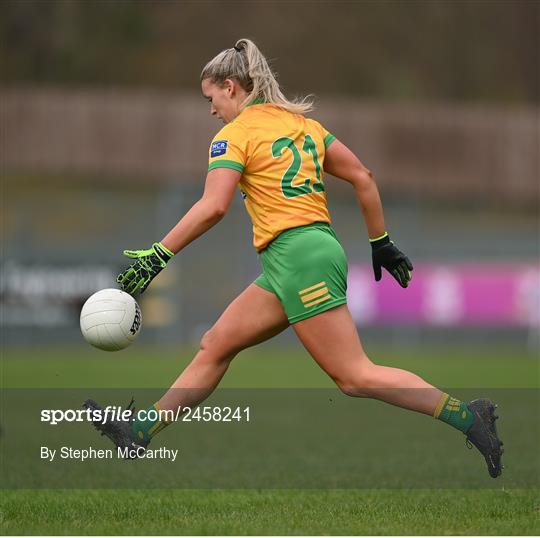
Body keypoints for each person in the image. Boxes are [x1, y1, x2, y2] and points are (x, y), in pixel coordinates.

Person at [84, 39, 503, 478]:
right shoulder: (302, 125)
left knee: (354, 376)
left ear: (230, 87)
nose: (211, 110)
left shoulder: (233, 136)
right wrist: (380, 240)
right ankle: (140, 432)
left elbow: (214, 206)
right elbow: (363, 176)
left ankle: (468, 417)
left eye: (211, 98)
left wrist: (158, 254)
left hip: (299, 257)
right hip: (300, 255)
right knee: (216, 344)